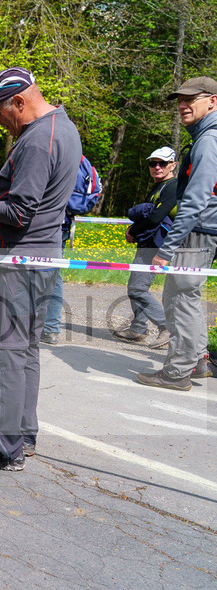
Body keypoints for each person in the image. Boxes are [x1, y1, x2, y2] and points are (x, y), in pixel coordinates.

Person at [0, 67, 83, 471]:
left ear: (20, 102)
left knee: (4, 353)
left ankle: (4, 448)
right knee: (26, 350)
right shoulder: (62, 128)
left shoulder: (36, 140)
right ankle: (22, 433)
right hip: (43, 258)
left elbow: (21, 212)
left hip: (21, 259)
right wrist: (3, 188)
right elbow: (37, 196)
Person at [135, 77, 217, 390]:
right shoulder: (207, 135)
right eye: (180, 100)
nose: (182, 105)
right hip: (205, 231)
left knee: (179, 298)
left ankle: (177, 373)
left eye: (191, 99)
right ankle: (196, 363)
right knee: (189, 298)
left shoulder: (209, 139)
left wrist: (166, 249)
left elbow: (196, 200)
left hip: (198, 231)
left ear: (212, 101)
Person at [113, 147, 178, 348]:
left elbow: (156, 217)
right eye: (153, 163)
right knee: (136, 286)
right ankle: (138, 328)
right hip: (149, 244)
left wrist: (133, 230)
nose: (157, 167)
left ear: (173, 165)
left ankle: (165, 327)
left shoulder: (173, 186)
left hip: (159, 247)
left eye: (162, 163)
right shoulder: (159, 186)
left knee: (137, 288)